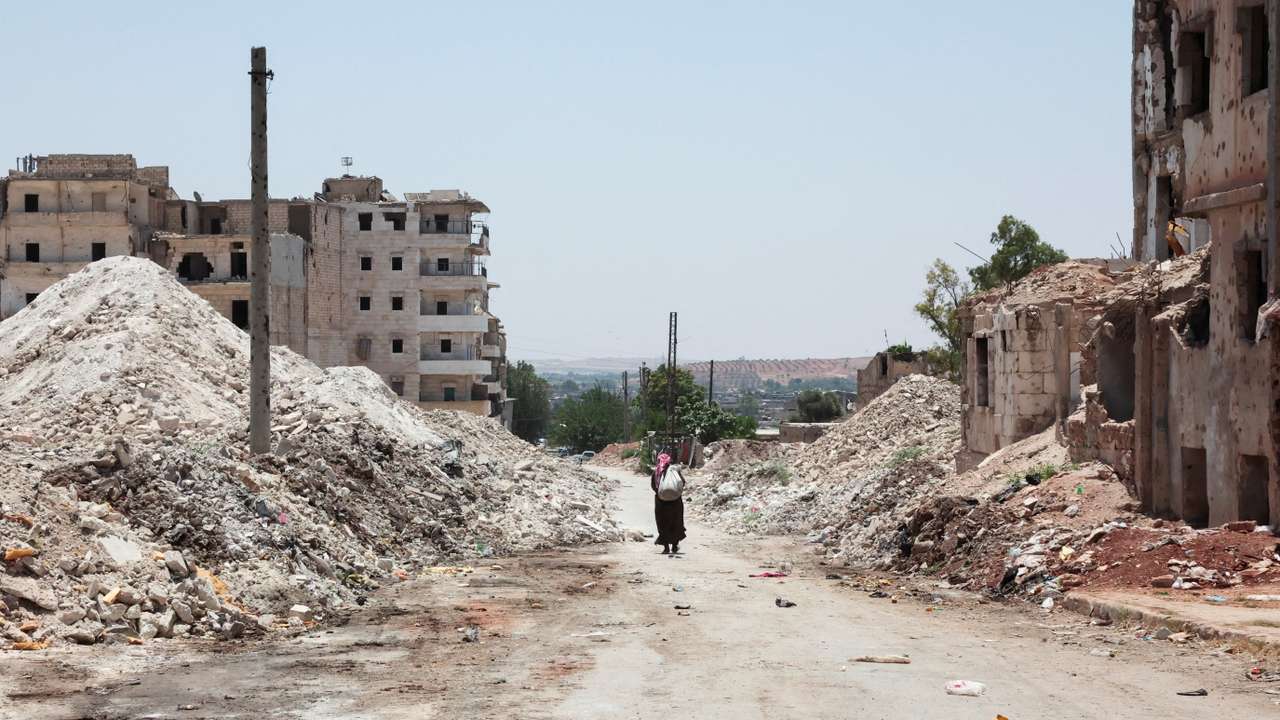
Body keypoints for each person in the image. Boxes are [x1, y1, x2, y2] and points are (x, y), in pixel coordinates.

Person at [650, 452, 686, 555]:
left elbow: (653, 486)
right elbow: (682, 482)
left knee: (663, 524)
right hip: (676, 502)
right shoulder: (675, 471)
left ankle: (666, 547)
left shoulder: (656, 471)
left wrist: (661, 494)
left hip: (661, 503)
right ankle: (674, 546)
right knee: (676, 522)